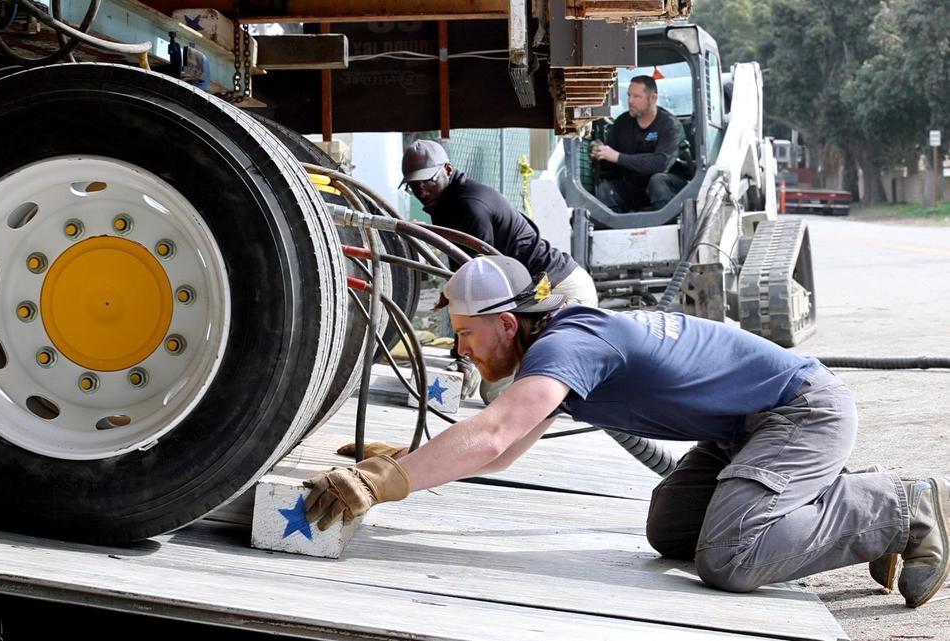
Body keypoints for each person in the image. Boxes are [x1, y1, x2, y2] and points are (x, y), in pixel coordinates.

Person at [305, 255, 949, 608]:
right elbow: (505, 453)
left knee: (730, 560)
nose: (461, 349)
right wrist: (414, 461)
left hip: (800, 413)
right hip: (745, 434)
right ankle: (825, 503)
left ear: (506, 323)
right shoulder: (559, 350)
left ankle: (896, 507)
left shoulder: (568, 345)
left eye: (467, 334)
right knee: (671, 532)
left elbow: (498, 432)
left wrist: (388, 482)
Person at [401, 139, 598, 399]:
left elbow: (477, 285)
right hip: (534, 295)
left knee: (499, 393)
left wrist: (464, 359)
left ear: (448, 169)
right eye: (414, 186)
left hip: (559, 293)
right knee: (497, 389)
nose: (422, 190)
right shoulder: (448, 201)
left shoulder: (468, 206)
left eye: (427, 181)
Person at [591, 75, 687, 212]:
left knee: (657, 181)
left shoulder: (670, 126)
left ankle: (664, 225)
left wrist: (618, 157)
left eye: (636, 97)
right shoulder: (621, 124)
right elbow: (609, 167)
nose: (630, 101)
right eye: (629, 95)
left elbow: (661, 164)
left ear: (653, 98)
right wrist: (599, 152)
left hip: (668, 189)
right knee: (605, 190)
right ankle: (619, 229)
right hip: (634, 188)